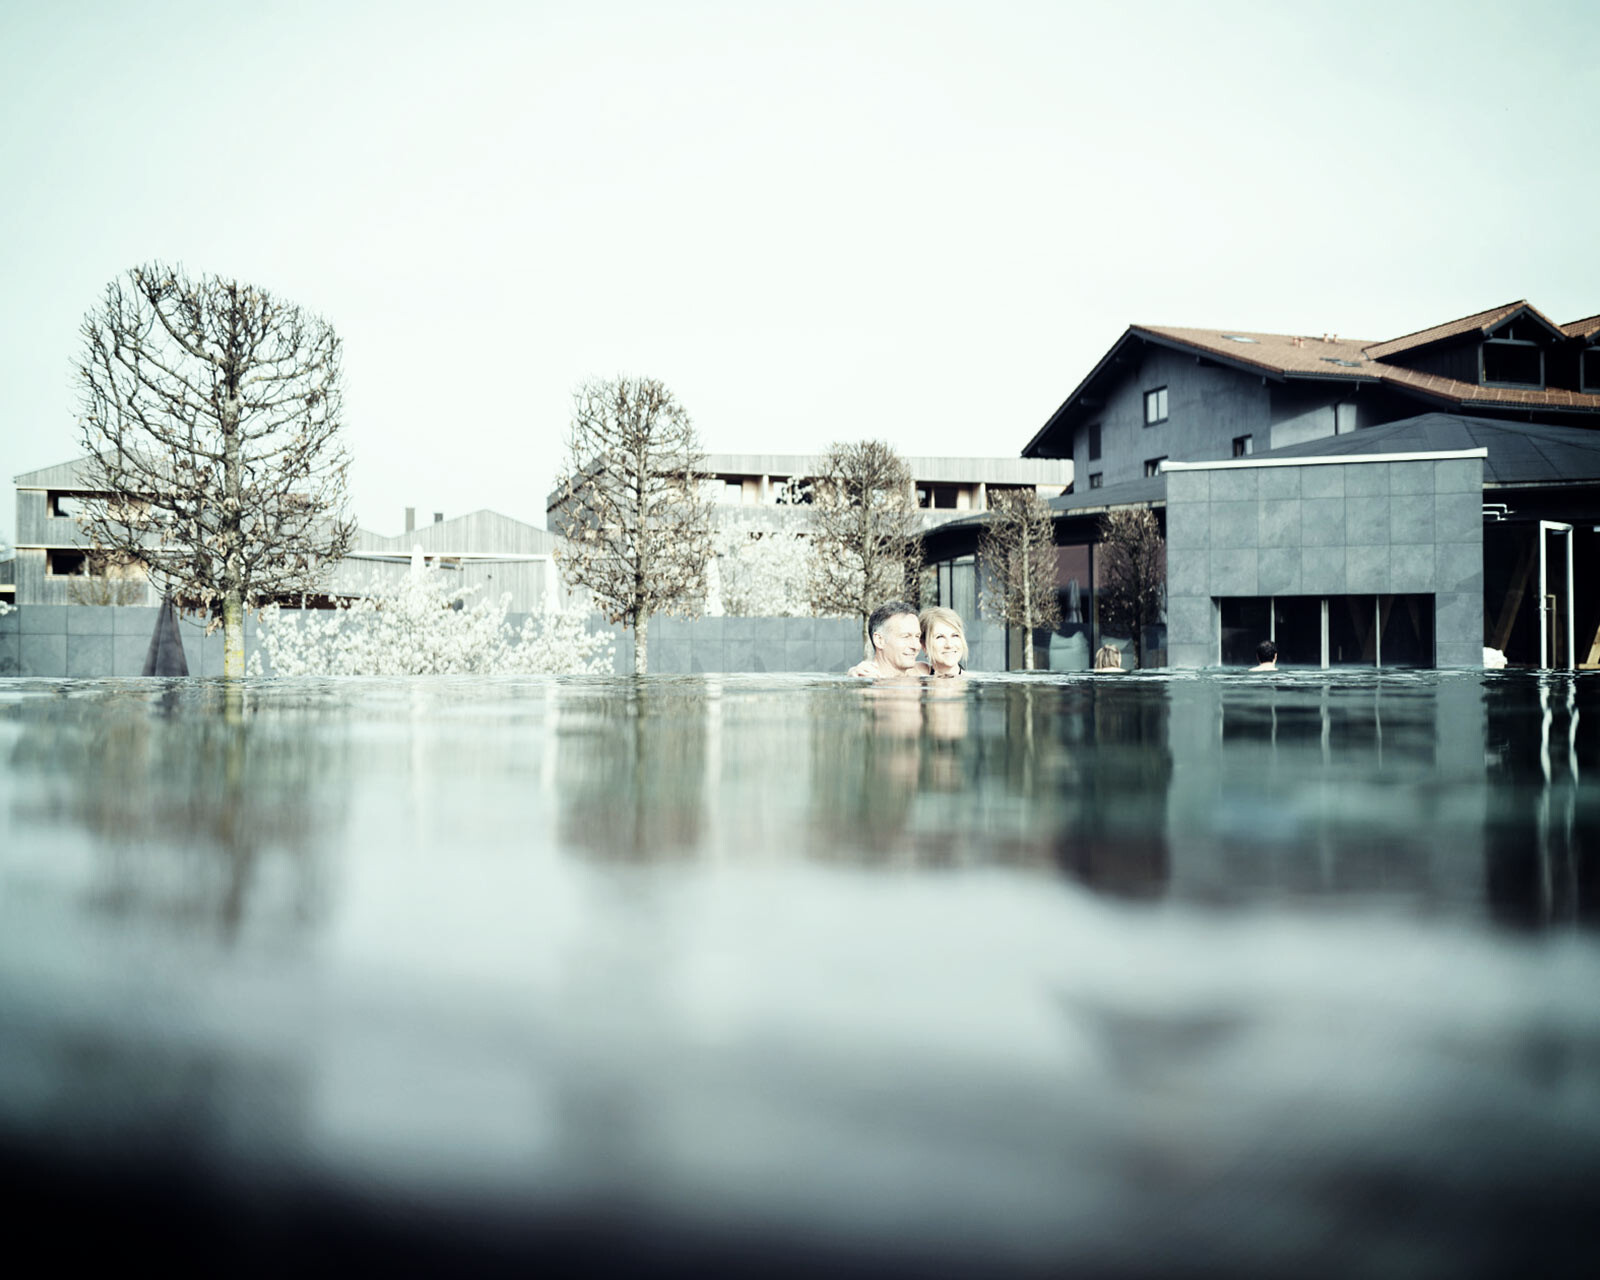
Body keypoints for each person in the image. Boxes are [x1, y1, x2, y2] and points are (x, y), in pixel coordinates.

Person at [848, 601, 924, 678]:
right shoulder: (866, 682)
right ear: (879, 640)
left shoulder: (924, 672)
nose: (916, 646)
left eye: (917, 636)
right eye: (906, 636)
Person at [919, 606, 967, 678]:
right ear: (924, 645)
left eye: (955, 635)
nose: (949, 645)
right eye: (940, 637)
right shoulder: (914, 677)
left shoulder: (976, 683)